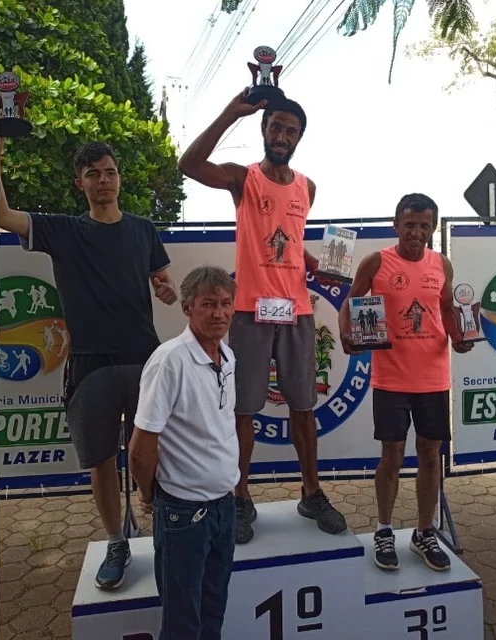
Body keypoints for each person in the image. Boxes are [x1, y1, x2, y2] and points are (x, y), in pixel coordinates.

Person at [0, 137, 178, 590]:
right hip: (89, 364)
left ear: (120, 178)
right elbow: (1, 215)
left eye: (109, 172)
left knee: (154, 453)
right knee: (101, 461)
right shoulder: (63, 230)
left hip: (144, 359)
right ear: (79, 183)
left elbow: (160, 276)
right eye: (93, 174)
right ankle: (117, 542)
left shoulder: (142, 229)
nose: (103, 180)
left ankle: (164, 530)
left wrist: (165, 287)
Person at [178, 88, 346, 544]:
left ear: (299, 137)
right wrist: (230, 112)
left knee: (303, 408)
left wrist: (316, 264)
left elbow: (291, 240)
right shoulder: (243, 178)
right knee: (243, 410)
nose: (282, 136)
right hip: (250, 311)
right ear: (264, 130)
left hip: (297, 312)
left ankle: (311, 493)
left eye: (291, 130)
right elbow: (188, 165)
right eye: (276, 127)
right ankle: (240, 497)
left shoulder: (307, 187)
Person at [338, 193, 474, 572]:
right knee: (392, 455)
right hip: (391, 377)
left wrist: (459, 337)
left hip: (433, 377)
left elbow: (445, 309)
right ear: (396, 223)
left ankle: (424, 532)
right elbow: (351, 302)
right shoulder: (376, 261)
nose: (416, 233)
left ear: (433, 228)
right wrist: (347, 334)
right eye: (410, 224)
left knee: (430, 455)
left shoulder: (441, 264)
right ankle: (383, 530)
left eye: (424, 226)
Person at [130, 266, 240, 640]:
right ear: (187, 307)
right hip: (183, 514)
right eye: (208, 304)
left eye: (225, 303)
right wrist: (149, 496)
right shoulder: (169, 360)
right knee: (182, 624)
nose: (219, 313)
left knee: (212, 612)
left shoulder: (227, 355)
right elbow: (141, 449)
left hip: (224, 507)